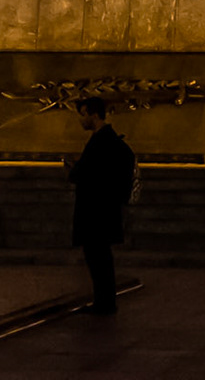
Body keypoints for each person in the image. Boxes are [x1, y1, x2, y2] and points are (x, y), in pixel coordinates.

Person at [68, 96, 135, 316]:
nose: (81, 119)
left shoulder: (102, 141)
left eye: (83, 114)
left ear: (94, 114)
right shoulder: (112, 141)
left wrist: (75, 170)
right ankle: (104, 300)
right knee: (100, 257)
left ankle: (104, 303)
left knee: (98, 258)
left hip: (96, 211)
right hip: (104, 209)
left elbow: (90, 174)